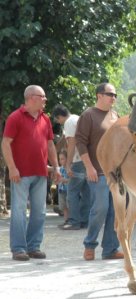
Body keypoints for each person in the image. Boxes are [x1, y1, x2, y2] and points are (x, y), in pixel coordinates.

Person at [1, 85, 61, 261]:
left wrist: (56, 167)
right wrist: (12, 168)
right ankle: (19, 249)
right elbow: (5, 143)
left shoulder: (46, 119)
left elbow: (50, 145)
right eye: (42, 97)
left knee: (39, 211)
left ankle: (34, 246)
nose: (45, 100)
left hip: (40, 172)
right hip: (20, 173)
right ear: (32, 98)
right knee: (19, 211)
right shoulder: (15, 117)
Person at [75, 83, 123, 261]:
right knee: (100, 209)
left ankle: (110, 248)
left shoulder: (115, 115)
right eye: (110, 94)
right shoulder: (88, 115)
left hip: (115, 173)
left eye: (115, 94)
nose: (113, 97)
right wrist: (89, 167)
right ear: (99, 96)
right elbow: (80, 142)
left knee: (115, 211)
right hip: (97, 172)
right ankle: (89, 244)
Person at [52, 104, 91, 230]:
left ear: (59, 117)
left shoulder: (68, 122)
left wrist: (68, 165)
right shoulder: (77, 118)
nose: (59, 122)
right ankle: (85, 221)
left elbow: (72, 144)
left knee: (72, 193)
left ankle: (74, 221)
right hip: (88, 159)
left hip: (78, 160)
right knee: (86, 192)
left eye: (57, 120)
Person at [56, 151, 69, 226]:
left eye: (62, 159)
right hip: (61, 190)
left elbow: (72, 180)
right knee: (64, 207)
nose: (60, 161)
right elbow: (58, 180)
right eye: (60, 159)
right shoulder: (60, 169)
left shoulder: (69, 169)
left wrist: (64, 180)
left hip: (68, 190)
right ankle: (66, 220)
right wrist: (57, 181)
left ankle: (70, 220)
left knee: (69, 206)